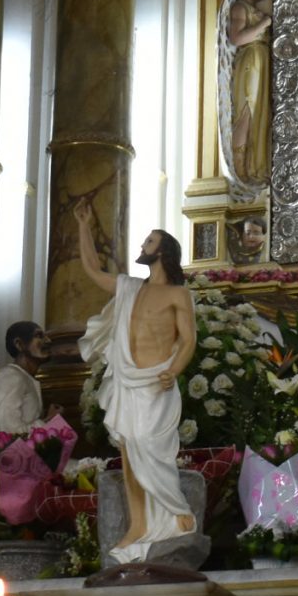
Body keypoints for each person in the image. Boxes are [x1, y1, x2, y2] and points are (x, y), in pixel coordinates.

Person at [73, 211, 199, 560]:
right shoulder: (130, 288)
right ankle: (139, 525)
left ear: (164, 252)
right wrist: (84, 227)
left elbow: (188, 340)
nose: (144, 245)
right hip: (128, 380)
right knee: (129, 452)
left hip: (156, 382)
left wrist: (173, 370)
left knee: (150, 448)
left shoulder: (178, 295)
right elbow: (92, 271)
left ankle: (176, 510)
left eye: (150, 241)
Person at [222, 0, 275, 186]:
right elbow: (236, 38)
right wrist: (263, 25)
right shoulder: (239, 8)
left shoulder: (253, 10)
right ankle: (241, 169)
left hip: (260, 61)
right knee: (247, 112)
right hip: (250, 62)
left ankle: (257, 163)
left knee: (261, 113)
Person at [0, 321, 50, 434]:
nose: (48, 341)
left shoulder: (22, 377)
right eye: (39, 336)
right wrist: (47, 422)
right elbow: (10, 432)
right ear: (19, 344)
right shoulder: (11, 377)